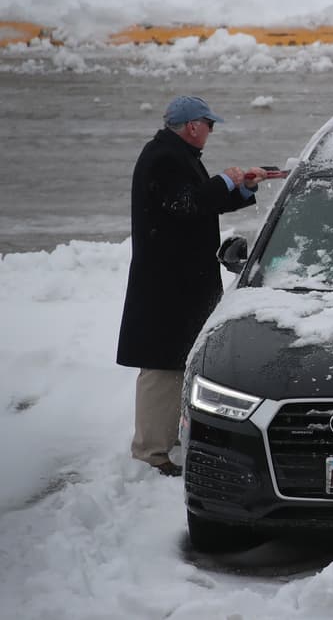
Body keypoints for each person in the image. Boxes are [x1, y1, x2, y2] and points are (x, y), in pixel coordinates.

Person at [116, 96, 267, 477]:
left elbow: (200, 205)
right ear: (192, 126)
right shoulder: (163, 158)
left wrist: (243, 188)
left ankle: (172, 438)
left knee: (182, 360)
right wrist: (225, 180)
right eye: (209, 124)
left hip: (182, 281)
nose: (212, 131)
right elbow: (184, 204)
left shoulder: (177, 155)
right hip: (166, 284)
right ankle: (150, 453)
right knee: (162, 367)